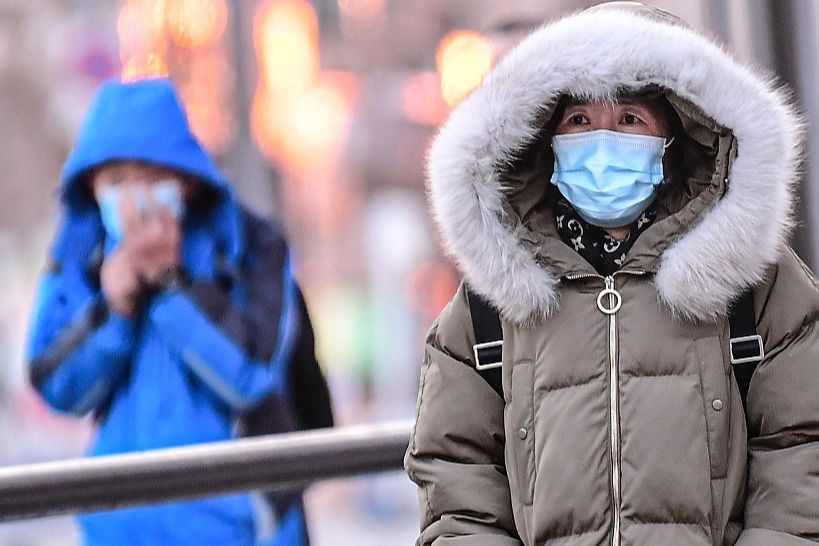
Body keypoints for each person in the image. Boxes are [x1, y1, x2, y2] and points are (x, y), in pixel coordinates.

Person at [405, 2, 819, 545]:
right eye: (579, 120)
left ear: (675, 138)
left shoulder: (753, 281)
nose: (601, 141)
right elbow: (455, 475)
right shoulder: (496, 294)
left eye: (629, 118)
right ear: (545, 142)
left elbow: (801, 450)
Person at [26, 77, 333, 546]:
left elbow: (250, 374)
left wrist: (172, 286)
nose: (133, 200)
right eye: (116, 182)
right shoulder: (82, 253)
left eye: (150, 179)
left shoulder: (250, 244)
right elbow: (55, 383)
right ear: (91, 185)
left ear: (187, 180)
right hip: (118, 528)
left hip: (242, 529)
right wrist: (113, 309)